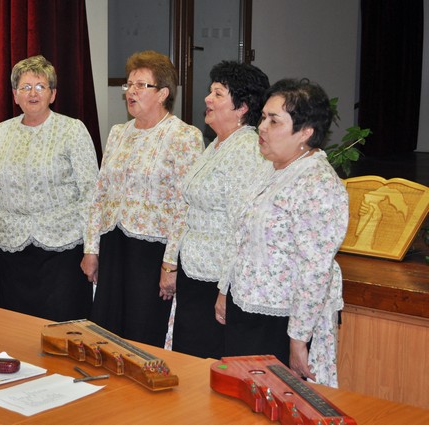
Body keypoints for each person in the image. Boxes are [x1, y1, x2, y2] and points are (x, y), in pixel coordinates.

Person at [215, 78, 349, 387]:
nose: (262, 127)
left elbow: (315, 268)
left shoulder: (318, 183)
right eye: (263, 117)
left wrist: (299, 338)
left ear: (305, 132)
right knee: (238, 397)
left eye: (274, 121)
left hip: (284, 319)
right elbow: (242, 237)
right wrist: (225, 290)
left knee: (277, 399)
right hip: (246, 305)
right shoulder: (269, 168)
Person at [81, 50, 204, 348]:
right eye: (129, 84)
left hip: (152, 253)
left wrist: (170, 263)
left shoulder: (184, 136)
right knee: (106, 336)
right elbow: (100, 194)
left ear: (163, 93)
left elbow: (184, 206)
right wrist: (91, 249)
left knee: (142, 335)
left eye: (141, 85)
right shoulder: (118, 132)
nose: (131, 92)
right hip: (114, 245)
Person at [0, 55, 98, 322]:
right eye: (25, 87)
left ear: (53, 94)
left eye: (41, 86)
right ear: (15, 95)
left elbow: (91, 194)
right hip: (12, 250)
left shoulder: (73, 130)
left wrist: (92, 249)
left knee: (63, 329)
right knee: (16, 328)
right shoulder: (0, 133)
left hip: (62, 250)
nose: (33, 93)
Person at [165, 61, 269, 359]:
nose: (207, 99)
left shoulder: (247, 150)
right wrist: (171, 262)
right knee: (188, 359)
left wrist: (226, 289)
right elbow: (187, 209)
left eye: (218, 94)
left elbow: (242, 228)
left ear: (242, 108)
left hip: (217, 279)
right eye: (210, 92)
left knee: (209, 362)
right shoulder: (216, 146)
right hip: (194, 272)